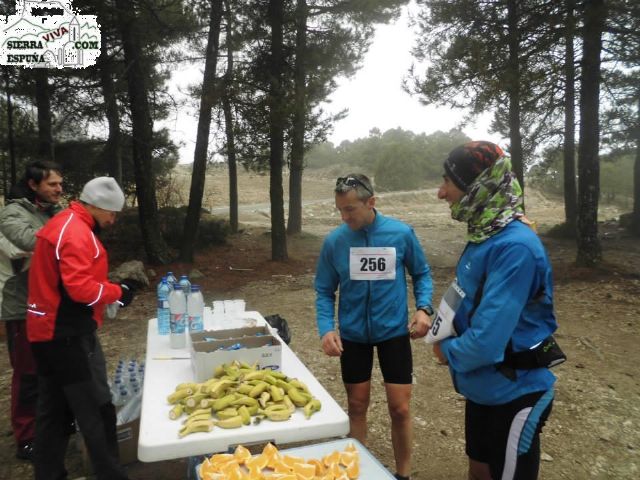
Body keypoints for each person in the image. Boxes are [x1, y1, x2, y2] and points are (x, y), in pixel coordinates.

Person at [430, 141, 558, 480]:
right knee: (479, 471)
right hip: (483, 389)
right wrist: (437, 327)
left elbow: (487, 341)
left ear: (477, 186)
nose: (441, 193)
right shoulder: (484, 235)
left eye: (448, 182)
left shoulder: (515, 248)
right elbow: (462, 297)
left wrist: (447, 351)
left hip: (516, 391)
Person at [315, 174, 433, 480]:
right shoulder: (335, 241)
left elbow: (421, 273)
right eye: (340, 210)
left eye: (350, 209)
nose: (344, 216)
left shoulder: (401, 233)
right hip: (354, 335)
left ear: (371, 203)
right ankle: (358, 471)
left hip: (394, 332)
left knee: (400, 409)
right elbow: (324, 290)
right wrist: (327, 328)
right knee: (356, 405)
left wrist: (423, 308)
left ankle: (403, 475)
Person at [26, 177, 137, 480]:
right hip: (68, 337)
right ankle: (112, 474)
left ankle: (48, 473)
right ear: (97, 206)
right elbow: (80, 289)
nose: (112, 221)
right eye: (111, 214)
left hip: (44, 333)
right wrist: (119, 292)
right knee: (97, 410)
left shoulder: (63, 223)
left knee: (54, 412)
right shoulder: (76, 232)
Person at [0, 161, 63, 461]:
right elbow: (26, 241)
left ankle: (54, 422)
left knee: (54, 367)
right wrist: (67, 240)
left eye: (60, 184)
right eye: (52, 184)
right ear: (33, 184)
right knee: (28, 373)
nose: (59, 189)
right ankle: (26, 436)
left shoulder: (52, 212)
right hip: (22, 306)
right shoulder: (13, 212)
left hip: (52, 303)